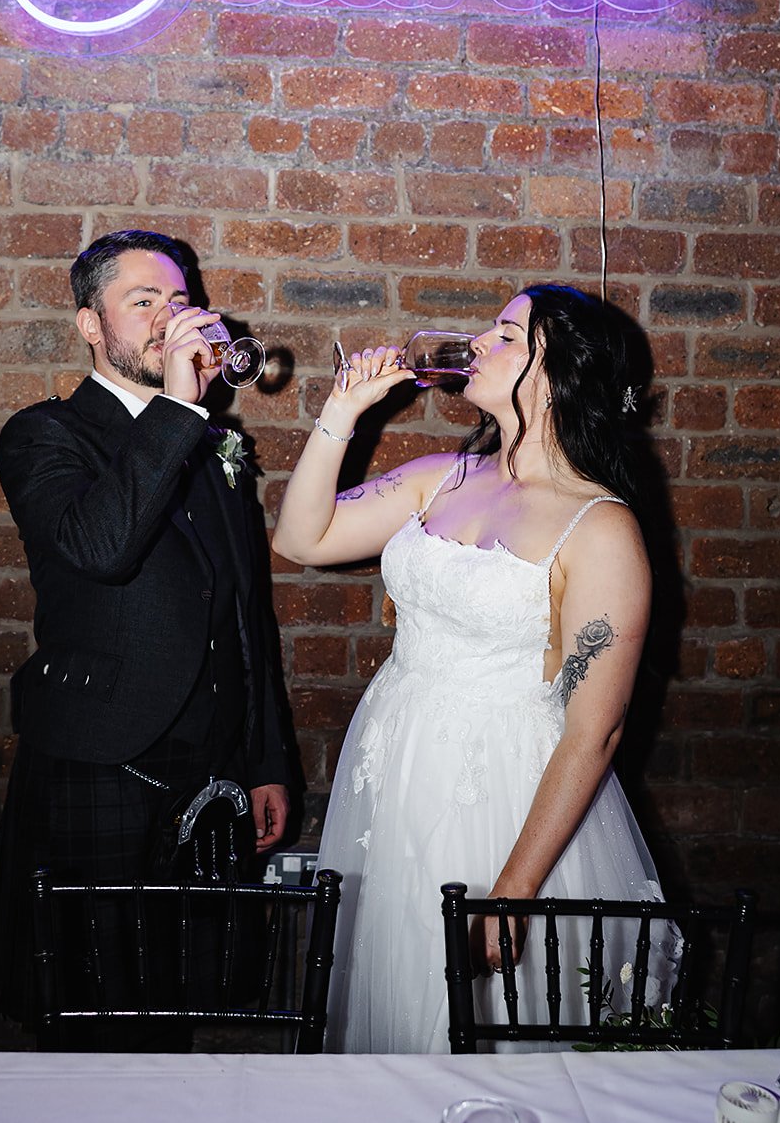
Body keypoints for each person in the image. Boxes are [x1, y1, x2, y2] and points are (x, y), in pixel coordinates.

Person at [273, 283, 675, 1053]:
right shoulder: (441, 477)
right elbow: (303, 539)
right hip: (399, 756)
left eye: (506, 337)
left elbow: (595, 731)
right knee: (395, 981)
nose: (478, 344)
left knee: (486, 1025)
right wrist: (340, 415)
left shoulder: (600, 529)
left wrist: (514, 889)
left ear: (556, 379)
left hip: (500, 786)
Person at [0, 229, 291, 1045]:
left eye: (179, 300)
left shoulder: (209, 444)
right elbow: (98, 546)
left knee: (187, 1004)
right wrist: (179, 408)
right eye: (143, 301)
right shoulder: (44, 435)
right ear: (91, 325)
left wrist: (262, 762)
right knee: (90, 1010)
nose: (168, 318)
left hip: (210, 772)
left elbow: (243, 615)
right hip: (98, 763)